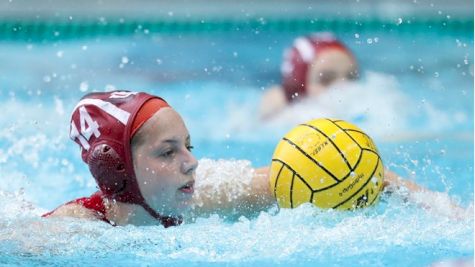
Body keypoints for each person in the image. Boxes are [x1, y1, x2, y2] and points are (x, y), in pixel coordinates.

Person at [42, 90, 463, 227]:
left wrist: (459, 218)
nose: (191, 163)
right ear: (114, 171)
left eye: (190, 145)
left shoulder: (208, 194)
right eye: (169, 152)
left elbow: (359, 173)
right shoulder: (74, 230)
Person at [260, 32, 359, 119]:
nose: (342, 87)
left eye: (351, 77)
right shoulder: (289, 115)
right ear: (300, 86)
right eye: (326, 79)